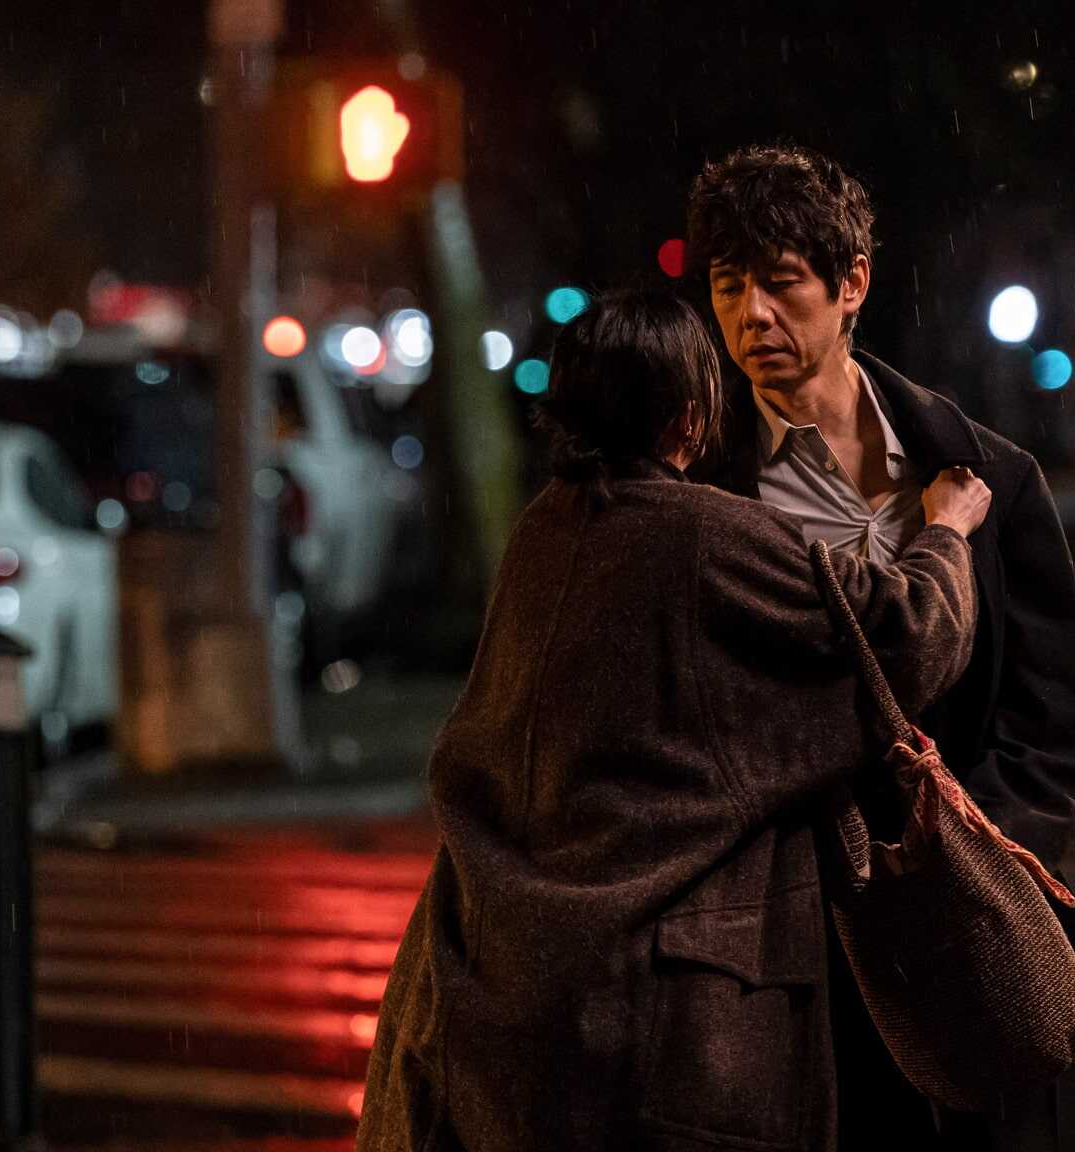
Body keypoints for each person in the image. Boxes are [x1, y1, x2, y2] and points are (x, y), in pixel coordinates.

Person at [355, 289, 994, 1151]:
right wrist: (946, 532)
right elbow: (909, 639)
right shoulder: (710, 535)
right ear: (689, 418)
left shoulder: (542, 533)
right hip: (657, 1024)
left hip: (499, 995)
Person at [687, 144, 1075, 1150]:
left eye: (781, 284)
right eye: (726, 286)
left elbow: (1051, 731)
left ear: (850, 286)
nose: (751, 318)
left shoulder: (983, 478)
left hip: (966, 935)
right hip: (788, 947)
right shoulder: (700, 495)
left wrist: (973, 872)